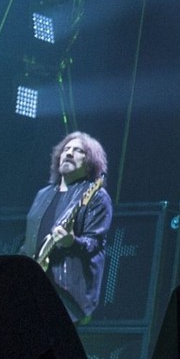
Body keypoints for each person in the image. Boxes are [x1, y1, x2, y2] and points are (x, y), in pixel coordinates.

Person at [22, 131, 113, 322]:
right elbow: (28, 241)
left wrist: (72, 242)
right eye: (66, 149)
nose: (69, 153)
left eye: (78, 150)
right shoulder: (42, 195)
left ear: (90, 162)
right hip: (33, 290)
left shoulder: (96, 196)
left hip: (69, 298)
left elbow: (95, 242)